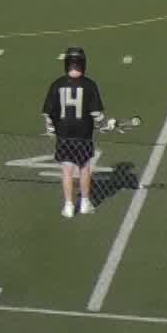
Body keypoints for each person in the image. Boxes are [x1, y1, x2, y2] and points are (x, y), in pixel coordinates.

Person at [42, 47, 106, 218]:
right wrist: (103, 123)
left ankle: (69, 206)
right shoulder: (90, 84)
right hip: (83, 134)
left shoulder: (57, 84)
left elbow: (48, 113)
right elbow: (96, 113)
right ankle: (85, 202)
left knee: (67, 170)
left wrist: (50, 128)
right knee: (84, 168)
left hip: (64, 134)